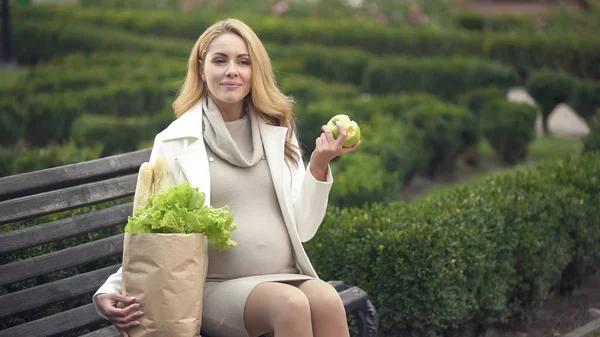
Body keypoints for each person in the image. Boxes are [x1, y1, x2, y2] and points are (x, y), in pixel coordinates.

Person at [92, 17, 360, 337]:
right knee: (290, 304)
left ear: (253, 72)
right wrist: (108, 291)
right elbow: (154, 228)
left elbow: (303, 228)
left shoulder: (278, 132)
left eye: (243, 61)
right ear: (202, 70)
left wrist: (318, 164)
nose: (232, 70)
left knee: (328, 298)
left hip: (284, 274)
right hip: (215, 288)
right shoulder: (175, 141)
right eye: (220, 60)